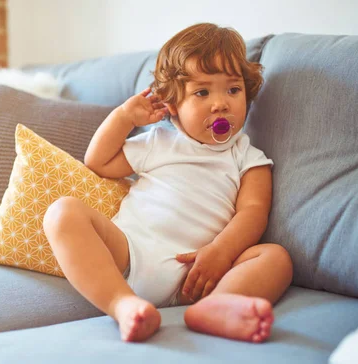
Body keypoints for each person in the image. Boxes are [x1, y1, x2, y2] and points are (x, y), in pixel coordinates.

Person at [43, 23, 293, 343]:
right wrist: (124, 118)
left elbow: (254, 212)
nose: (221, 104)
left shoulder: (248, 157)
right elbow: (98, 163)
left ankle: (212, 308)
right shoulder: (157, 142)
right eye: (202, 92)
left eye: (233, 90)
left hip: (197, 277)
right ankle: (122, 304)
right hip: (129, 254)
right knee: (62, 212)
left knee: (276, 258)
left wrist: (221, 251)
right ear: (172, 105)